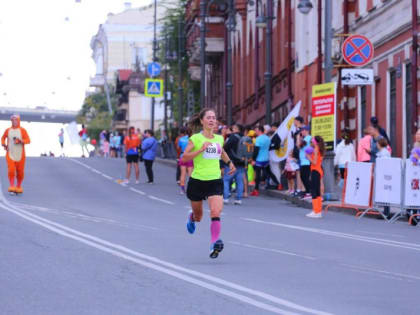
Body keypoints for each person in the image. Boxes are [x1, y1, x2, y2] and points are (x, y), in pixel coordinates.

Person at [182, 108, 235, 259]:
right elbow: (184, 158)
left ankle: (214, 243)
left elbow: (221, 152)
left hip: (214, 180)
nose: (212, 120)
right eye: (209, 117)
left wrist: (229, 163)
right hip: (197, 181)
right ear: (202, 121)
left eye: (214, 117)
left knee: (215, 212)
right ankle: (191, 218)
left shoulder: (219, 138)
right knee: (199, 216)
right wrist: (200, 150)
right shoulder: (195, 139)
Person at [1, 115, 30, 194]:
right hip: (10, 153)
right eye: (13, 120)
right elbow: (3, 137)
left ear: (18, 121)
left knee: (20, 172)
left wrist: (21, 141)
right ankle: (12, 186)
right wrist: (3, 144)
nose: (14, 121)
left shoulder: (23, 130)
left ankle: (18, 186)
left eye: (16, 120)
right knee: (11, 170)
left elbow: (28, 140)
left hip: (20, 154)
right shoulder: (8, 130)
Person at [223, 124, 246, 205]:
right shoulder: (245, 137)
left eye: (233, 128)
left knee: (226, 179)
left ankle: (225, 198)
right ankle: (238, 199)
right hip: (242, 162)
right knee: (239, 181)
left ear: (236, 129)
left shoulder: (233, 137)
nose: (232, 129)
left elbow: (225, 148)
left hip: (232, 162)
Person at [305, 136, 325, 218]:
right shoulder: (319, 148)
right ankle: (318, 211)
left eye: (312, 141)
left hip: (315, 170)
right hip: (318, 170)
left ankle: (315, 211)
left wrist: (308, 157)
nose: (311, 143)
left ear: (315, 142)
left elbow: (314, 162)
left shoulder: (316, 148)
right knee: (317, 191)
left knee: (314, 191)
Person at [250, 126, 271, 196]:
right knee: (268, 172)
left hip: (259, 159)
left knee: (258, 174)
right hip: (266, 158)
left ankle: (256, 189)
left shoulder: (258, 139)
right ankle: (278, 184)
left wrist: (253, 159)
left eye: (256, 130)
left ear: (259, 130)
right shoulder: (268, 138)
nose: (255, 131)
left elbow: (256, 150)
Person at [178, 127, 193, 194]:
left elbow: (178, 148)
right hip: (190, 157)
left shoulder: (181, 139)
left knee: (183, 174)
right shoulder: (193, 139)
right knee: (191, 174)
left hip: (183, 156)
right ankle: (191, 188)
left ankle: (182, 189)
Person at [298, 126, 312, 199]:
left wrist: (298, 138)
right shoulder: (305, 138)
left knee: (305, 177)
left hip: (306, 161)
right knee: (303, 177)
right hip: (303, 161)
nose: (301, 132)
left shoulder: (308, 138)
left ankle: (309, 192)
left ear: (306, 131)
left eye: (302, 131)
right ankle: (308, 191)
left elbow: (299, 146)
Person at [268, 122, 282, 190]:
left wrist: (270, 146)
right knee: (272, 169)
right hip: (272, 154)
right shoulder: (273, 135)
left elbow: (276, 145)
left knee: (275, 169)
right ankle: (273, 182)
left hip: (275, 154)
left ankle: (278, 183)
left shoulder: (277, 135)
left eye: (273, 127)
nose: (271, 129)